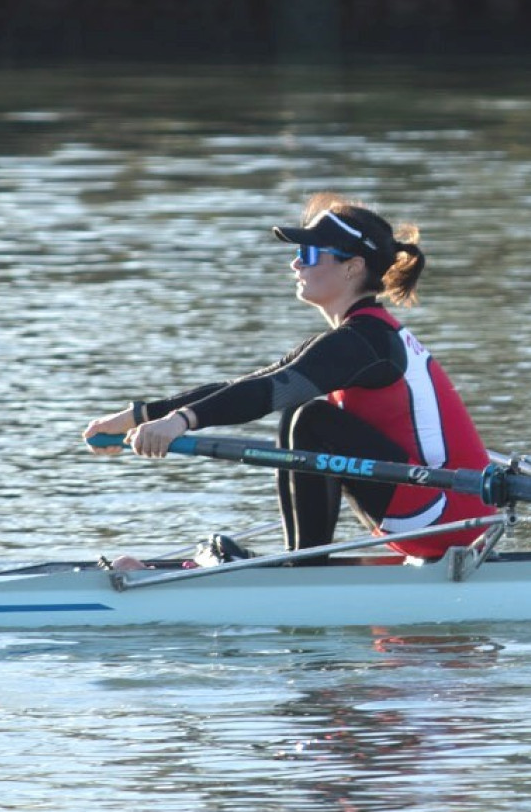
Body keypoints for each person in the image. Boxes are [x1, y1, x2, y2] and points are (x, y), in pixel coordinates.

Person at [82, 193, 497, 560]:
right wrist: (139, 416)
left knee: (309, 419)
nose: (296, 262)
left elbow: (269, 392)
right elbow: (249, 384)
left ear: (352, 268)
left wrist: (180, 422)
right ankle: (301, 562)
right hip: (440, 513)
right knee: (302, 413)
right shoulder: (360, 337)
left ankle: (303, 567)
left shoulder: (364, 343)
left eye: (311, 254)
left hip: (449, 518)